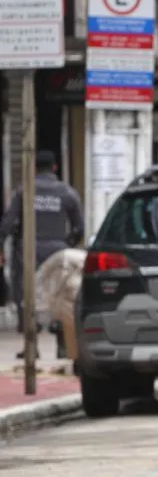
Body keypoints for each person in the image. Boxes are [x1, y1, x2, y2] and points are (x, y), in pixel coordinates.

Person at [0, 150, 84, 360]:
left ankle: (31, 347)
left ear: (34, 168)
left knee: (27, 296)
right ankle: (63, 346)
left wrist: (1, 245)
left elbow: (8, 223)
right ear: (55, 168)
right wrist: (66, 245)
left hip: (28, 251)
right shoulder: (67, 192)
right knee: (60, 296)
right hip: (57, 252)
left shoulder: (24, 191)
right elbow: (79, 228)